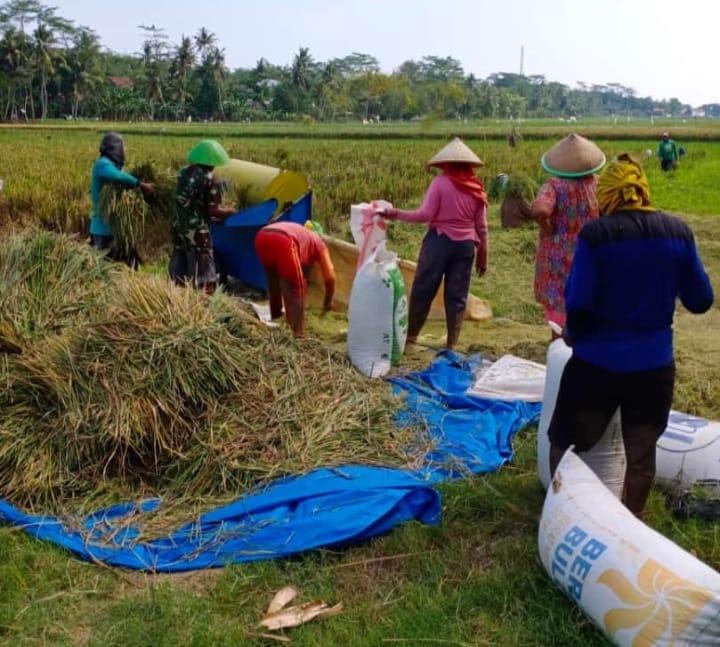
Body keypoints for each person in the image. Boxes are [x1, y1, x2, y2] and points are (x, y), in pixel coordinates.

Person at [547, 153, 714, 518]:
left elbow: (580, 303)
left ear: (607, 196)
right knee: (641, 456)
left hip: (597, 366)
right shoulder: (678, 232)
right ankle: (630, 524)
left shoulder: (597, 235)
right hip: (653, 367)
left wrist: (572, 335)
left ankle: (559, 514)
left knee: (565, 440)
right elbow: (701, 300)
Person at [377, 137, 488, 350]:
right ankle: (452, 343)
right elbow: (482, 227)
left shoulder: (440, 183)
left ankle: (411, 337)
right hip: (465, 247)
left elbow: (424, 215)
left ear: (446, 164)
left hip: (439, 242)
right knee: (457, 295)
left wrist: (394, 213)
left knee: (424, 288)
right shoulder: (477, 189)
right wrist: (483, 255)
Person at [531, 133, 605, 337]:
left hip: (558, 259)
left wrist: (547, 229)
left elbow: (539, 211)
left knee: (560, 312)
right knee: (588, 301)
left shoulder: (553, 186)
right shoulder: (599, 184)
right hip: (591, 252)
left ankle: (559, 349)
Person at [169, 139, 236, 295]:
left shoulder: (183, 173)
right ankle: (204, 307)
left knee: (180, 270)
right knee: (204, 274)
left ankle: (175, 300)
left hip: (179, 229)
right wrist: (229, 211)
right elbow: (213, 211)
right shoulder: (210, 179)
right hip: (198, 233)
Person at [254, 221, 336, 338]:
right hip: (283, 240)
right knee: (297, 287)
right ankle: (297, 333)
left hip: (261, 237)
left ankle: (276, 317)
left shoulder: (301, 233)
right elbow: (330, 277)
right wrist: (328, 303)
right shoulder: (318, 242)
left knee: (274, 281)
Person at [90, 132, 154, 265]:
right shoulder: (103, 164)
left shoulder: (115, 167)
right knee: (104, 271)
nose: (126, 149)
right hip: (103, 230)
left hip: (117, 230)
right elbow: (116, 177)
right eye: (123, 146)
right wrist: (141, 185)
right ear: (115, 148)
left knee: (127, 269)